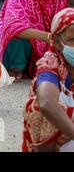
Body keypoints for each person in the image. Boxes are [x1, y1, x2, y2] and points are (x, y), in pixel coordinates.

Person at [23, 8, 74, 152]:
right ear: (57, 42)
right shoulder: (51, 62)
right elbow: (46, 102)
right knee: (38, 107)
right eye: (72, 40)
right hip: (61, 138)